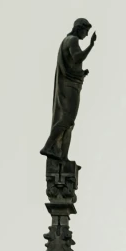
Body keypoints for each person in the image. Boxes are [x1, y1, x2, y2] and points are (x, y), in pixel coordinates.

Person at [42, 19, 96, 162]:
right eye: (86, 31)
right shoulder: (72, 40)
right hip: (70, 85)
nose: (86, 35)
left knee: (70, 123)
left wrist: (81, 74)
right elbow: (77, 58)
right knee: (67, 119)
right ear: (79, 28)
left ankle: (63, 156)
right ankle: (48, 146)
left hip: (73, 83)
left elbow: (72, 65)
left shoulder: (69, 41)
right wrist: (91, 45)